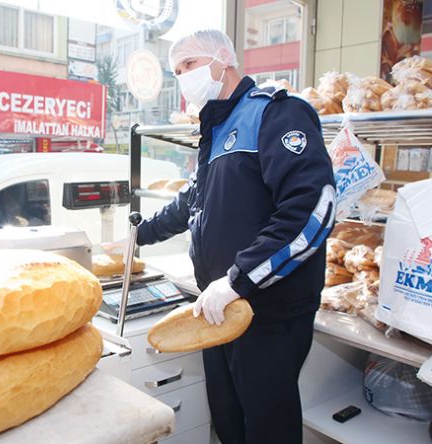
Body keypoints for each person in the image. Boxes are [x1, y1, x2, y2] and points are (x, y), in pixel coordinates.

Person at [105, 30, 335, 444]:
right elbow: (191, 203)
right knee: (228, 419)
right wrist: (136, 239)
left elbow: (312, 210)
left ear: (224, 57)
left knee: (267, 426)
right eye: (177, 71)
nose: (183, 77)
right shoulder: (217, 127)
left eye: (190, 64)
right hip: (218, 307)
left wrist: (236, 279)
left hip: (269, 309)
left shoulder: (276, 113)